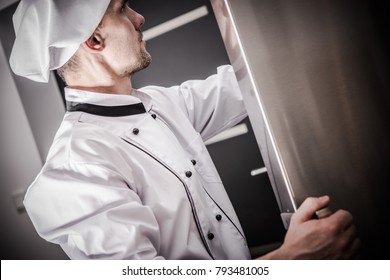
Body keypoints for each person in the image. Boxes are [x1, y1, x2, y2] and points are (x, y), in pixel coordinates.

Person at [10, 0, 360, 260]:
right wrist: (290, 259)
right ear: (94, 40)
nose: (138, 17)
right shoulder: (75, 168)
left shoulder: (160, 104)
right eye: (121, 9)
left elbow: (245, 82)